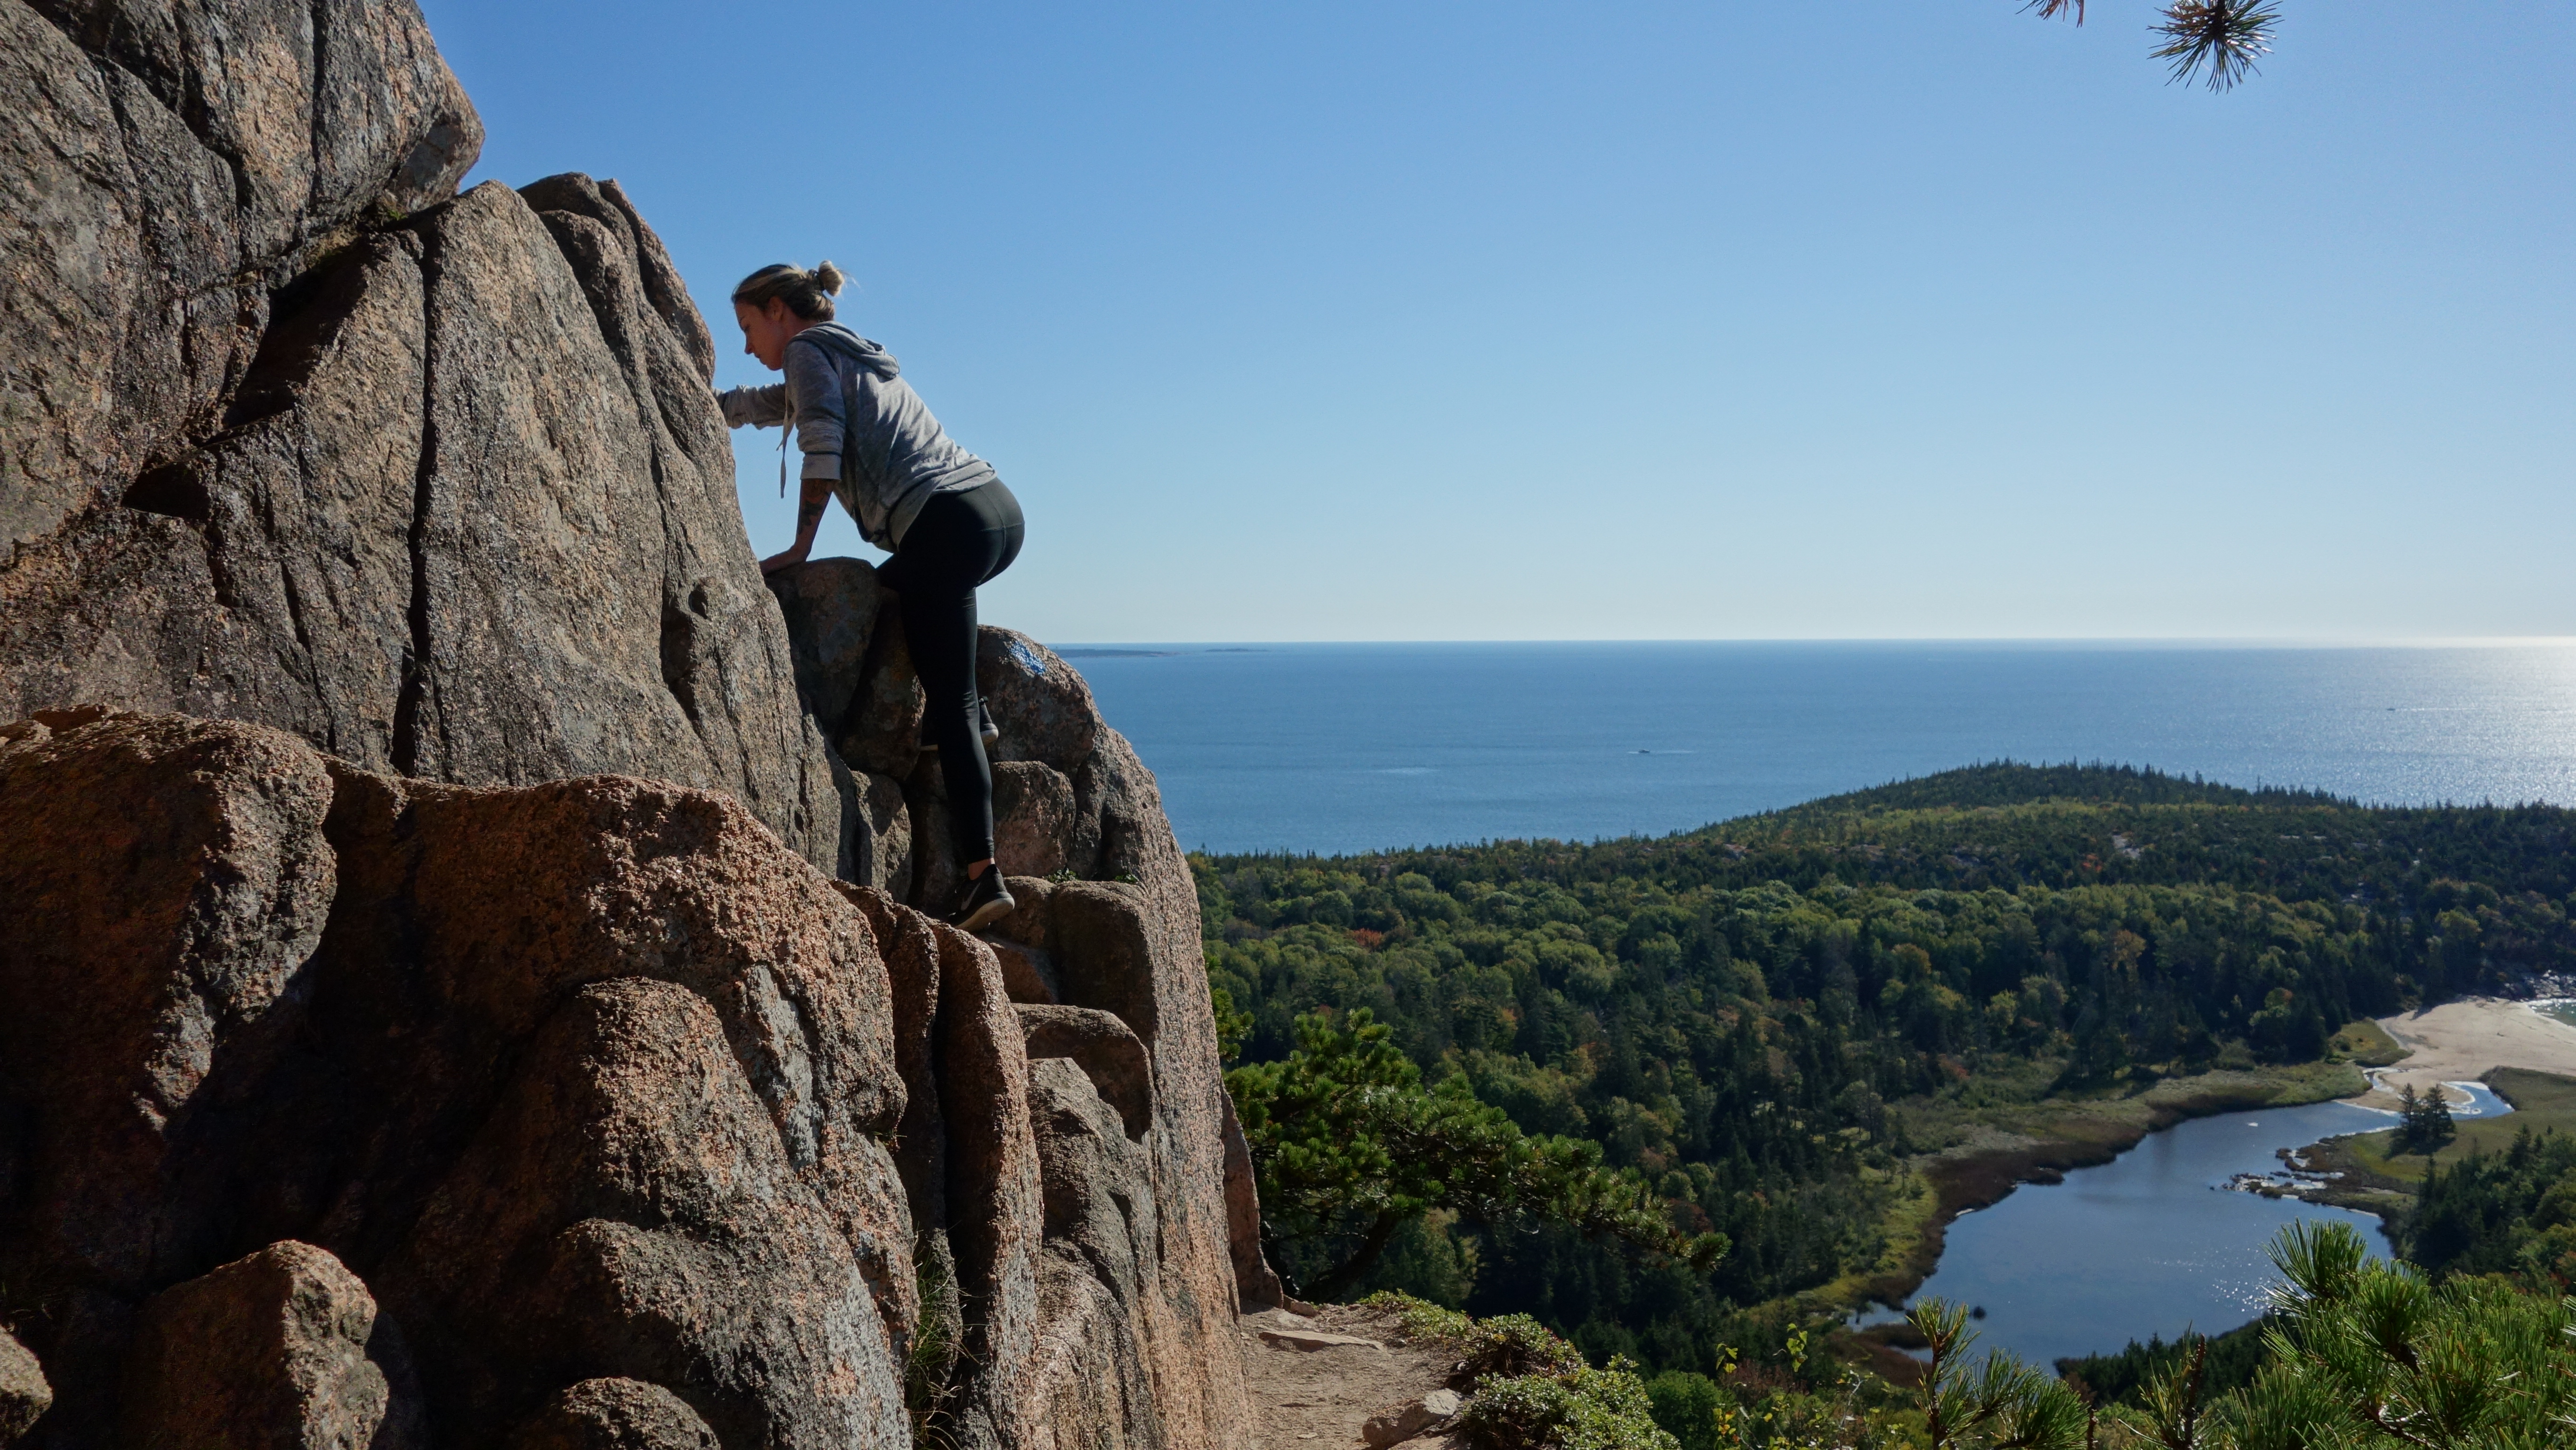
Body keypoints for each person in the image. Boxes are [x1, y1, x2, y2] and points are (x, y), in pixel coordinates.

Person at [717, 261, 1024, 932]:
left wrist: (799, 548)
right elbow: (776, 407)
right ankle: (966, 721)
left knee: (946, 691)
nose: (747, 345)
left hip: (947, 524)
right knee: (892, 595)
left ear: (777, 310)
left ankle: (982, 876)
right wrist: (705, 405)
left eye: (747, 327)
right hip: (994, 512)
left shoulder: (803, 349)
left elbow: (820, 445)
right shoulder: (846, 352)